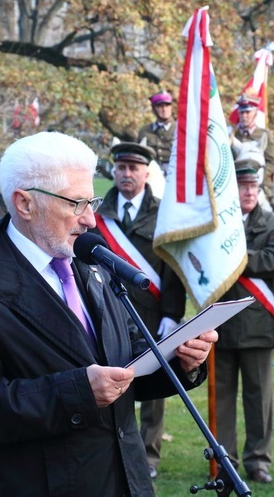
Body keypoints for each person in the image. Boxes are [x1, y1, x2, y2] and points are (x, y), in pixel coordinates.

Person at [0, 131, 217, 496]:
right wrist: (76, 392)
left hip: (125, 481)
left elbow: (127, 365)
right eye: (76, 204)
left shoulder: (92, 264)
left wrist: (181, 360)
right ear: (25, 204)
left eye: (92, 202)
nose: (91, 221)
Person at [91, 141, 186, 479]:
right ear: (114, 172)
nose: (127, 174)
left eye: (134, 168)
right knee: (109, 382)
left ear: (147, 173)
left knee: (152, 388)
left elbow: (172, 270)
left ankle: (148, 454)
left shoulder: (164, 215)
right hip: (106, 310)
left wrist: (171, 314)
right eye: (121, 168)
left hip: (150, 311)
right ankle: (111, 450)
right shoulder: (97, 214)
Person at [213, 148, 274, 485]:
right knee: (222, 396)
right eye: (241, 186)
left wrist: (234, 254)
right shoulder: (215, 223)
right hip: (219, 323)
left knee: (259, 398)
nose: (247, 192)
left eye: (252, 187)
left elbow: (273, 260)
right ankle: (224, 458)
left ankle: (258, 460)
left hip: (258, 321)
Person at [231, 93, 274, 215]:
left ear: (255, 113)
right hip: (237, 178)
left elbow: (272, 162)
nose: (244, 116)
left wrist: (264, 180)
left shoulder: (264, 134)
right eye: (241, 113)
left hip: (262, 178)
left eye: (247, 112)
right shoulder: (232, 135)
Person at [138, 90, 175, 174]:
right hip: (152, 173)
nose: (164, 109)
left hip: (174, 174)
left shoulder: (180, 129)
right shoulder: (145, 131)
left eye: (167, 105)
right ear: (153, 109)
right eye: (160, 106)